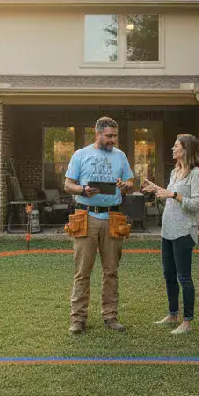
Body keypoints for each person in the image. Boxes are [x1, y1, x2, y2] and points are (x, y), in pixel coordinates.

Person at [64, 117, 135, 334]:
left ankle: (111, 316)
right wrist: (83, 190)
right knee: (82, 272)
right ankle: (78, 319)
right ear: (98, 134)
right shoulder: (81, 154)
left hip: (113, 218)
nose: (113, 140)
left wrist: (126, 185)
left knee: (111, 271)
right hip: (86, 217)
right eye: (109, 136)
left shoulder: (120, 156)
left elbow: (131, 183)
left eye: (115, 136)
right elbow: (68, 184)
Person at [142, 134, 199, 335]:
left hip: (184, 231)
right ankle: (173, 314)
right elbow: (172, 196)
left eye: (176, 146)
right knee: (169, 275)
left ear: (186, 150)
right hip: (167, 231)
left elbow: (196, 204)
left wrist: (171, 194)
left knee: (184, 278)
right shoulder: (174, 172)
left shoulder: (196, 174)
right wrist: (158, 189)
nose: (172, 148)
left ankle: (187, 322)